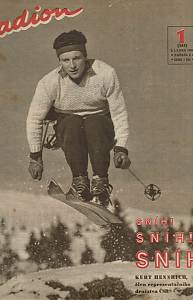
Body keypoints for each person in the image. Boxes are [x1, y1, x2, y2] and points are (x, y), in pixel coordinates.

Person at [27, 30, 131, 207]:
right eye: (65, 60)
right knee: (73, 122)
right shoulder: (49, 82)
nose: (72, 65)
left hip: (101, 127)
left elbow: (119, 113)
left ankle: (100, 183)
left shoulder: (105, 74)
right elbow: (34, 119)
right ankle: (80, 182)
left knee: (93, 122)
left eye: (77, 58)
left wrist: (121, 147)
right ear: (59, 61)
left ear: (85, 57)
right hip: (69, 128)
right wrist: (35, 157)